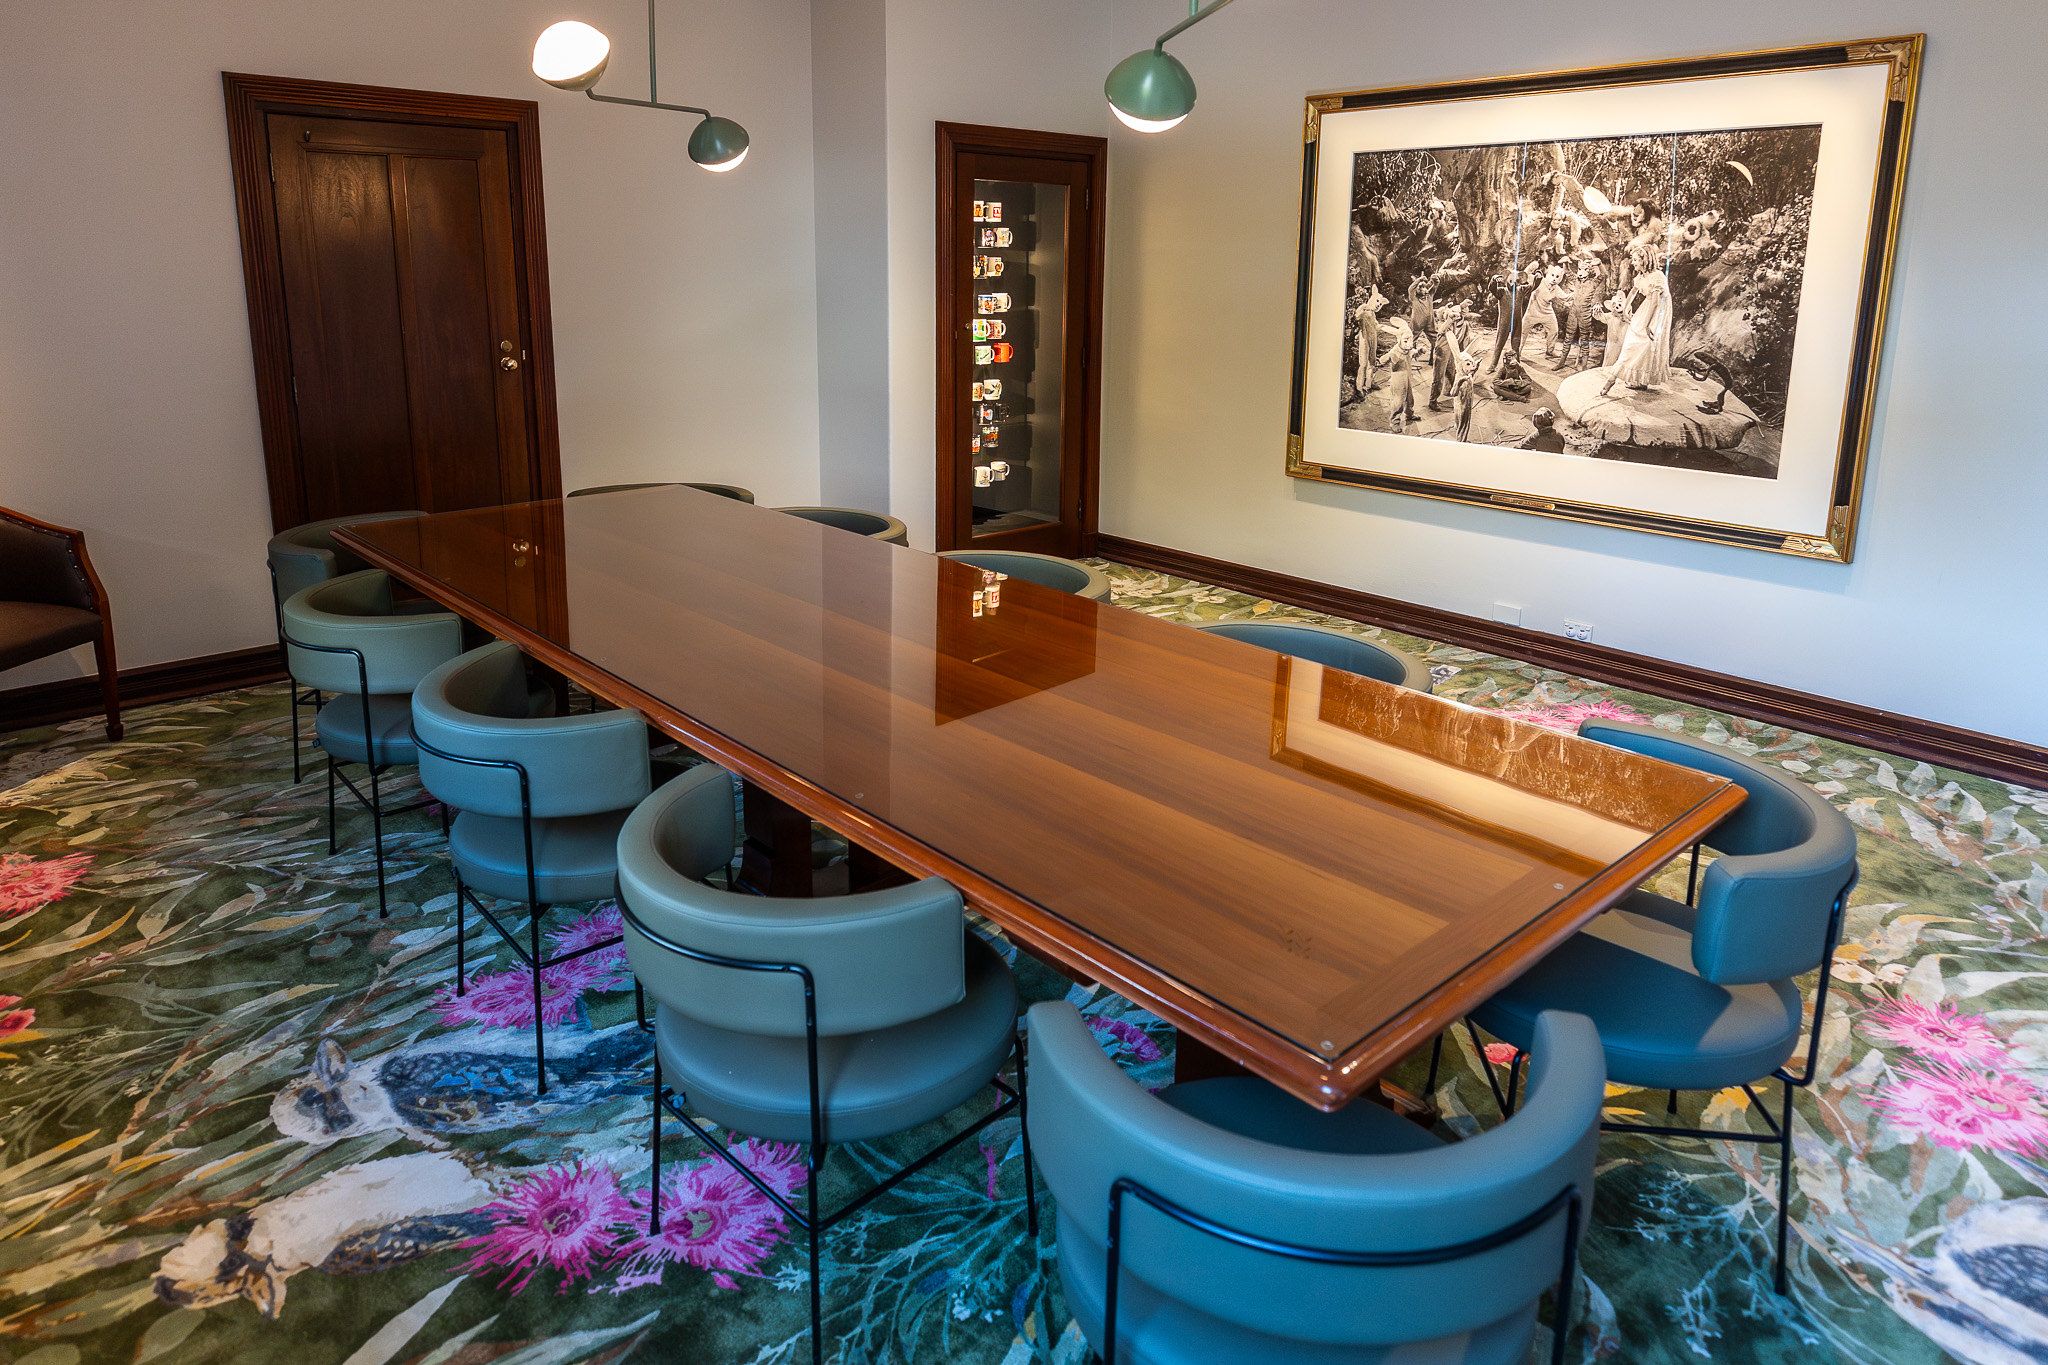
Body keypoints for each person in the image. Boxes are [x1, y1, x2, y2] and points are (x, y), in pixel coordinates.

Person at [1600, 269, 1675, 396]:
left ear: (1644, 260)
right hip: (1647, 307)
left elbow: (1656, 302)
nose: (1634, 263)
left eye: (1636, 260)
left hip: (1659, 312)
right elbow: (1633, 291)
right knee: (1633, 340)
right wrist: (1625, 310)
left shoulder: (1657, 276)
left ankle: (1627, 380)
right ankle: (1623, 378)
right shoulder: (1641, 276)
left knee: (1647, 343)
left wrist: (1647, 324)